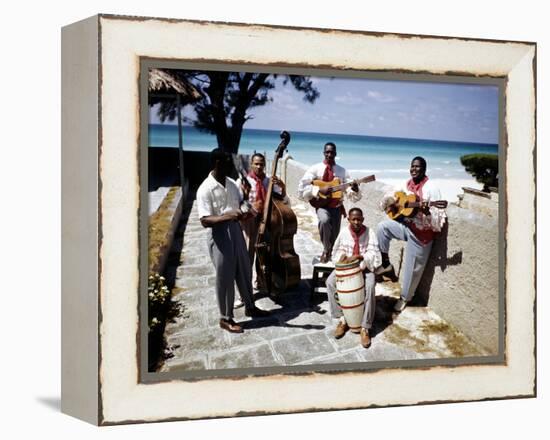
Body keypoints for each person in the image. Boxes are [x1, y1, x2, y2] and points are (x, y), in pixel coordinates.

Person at [196, 148, 270, 333]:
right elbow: (205, 220)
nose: (232, 165)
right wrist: (229, 216)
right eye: (229, 161)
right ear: (218, 163)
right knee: (225, 277)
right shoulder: (205, 188)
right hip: (219, 235)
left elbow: (241, 203)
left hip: (236, 231)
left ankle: (250, 306)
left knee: (244, 269)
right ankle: (226, 318)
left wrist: (246, 202)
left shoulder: (230, 183)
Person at [375, 156, 447, 313]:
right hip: (407, 226)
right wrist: (392, 203)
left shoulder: (431, 188)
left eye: (418, 167)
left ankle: (405, 298)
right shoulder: (406, 184)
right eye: (412, 166)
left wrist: (427, 212)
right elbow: (391, 198)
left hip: (422, 234)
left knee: (412, 268)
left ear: (424, 169)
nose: (414, 169)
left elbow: (437, 220)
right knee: (382, 228)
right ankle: (386, 264)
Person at [326, 208, 381, 348]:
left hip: (364, 267)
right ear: (349, 219)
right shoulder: (344, 232)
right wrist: (343, 258)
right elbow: (337, 250)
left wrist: (361, 258)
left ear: (363, 219)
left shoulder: (370, 232)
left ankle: (365, 327)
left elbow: (374, 253)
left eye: (359, 219)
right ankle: (343, 319)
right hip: (346, 268)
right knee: (330, 282)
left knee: (369, 286)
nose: (356, 222)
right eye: (353, 219)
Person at [298, 142, 362, 263]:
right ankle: (326, 250)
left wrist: (354, 189)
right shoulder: (315, 168)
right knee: (324, 220)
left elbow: (348, 189)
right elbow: (301, 187)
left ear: (335, 154)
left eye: (332, 152)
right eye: (327, 152)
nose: (329, 154)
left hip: (337, 207)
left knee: (334, 235)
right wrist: (318, 189)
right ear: (323, 153)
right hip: (321, 205)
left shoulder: (342, 171)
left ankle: (330, 256)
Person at [236, 153, 288, 298]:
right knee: (247, 256)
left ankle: (261, 283)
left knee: (264, 255)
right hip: (249, 222)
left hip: (266, 222)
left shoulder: (268, 181)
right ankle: (243, 292)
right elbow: (237, 205)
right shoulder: (243, 182)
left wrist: (282, 187)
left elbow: (283, 200)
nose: (259, 167)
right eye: (256, 164)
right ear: (251, 164)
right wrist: (252, 207)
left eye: (261, 164)